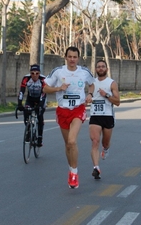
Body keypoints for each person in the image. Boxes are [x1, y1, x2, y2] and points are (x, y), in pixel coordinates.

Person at [43, 46, 95, 189]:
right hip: (63, 111)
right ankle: (71, 168)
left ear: (78, 58)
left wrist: (90, 95)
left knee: (72, 141)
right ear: (65, 57)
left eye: (75, 57)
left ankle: (74, 172)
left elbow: (92, 85)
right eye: (70, 56)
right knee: (68, 144)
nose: (72, 59)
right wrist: (58, 88)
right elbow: (45, 88)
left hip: (78, 109)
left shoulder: (84, 72)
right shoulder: (58, 72)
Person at [89, 60, 120, 180]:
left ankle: (106, 149)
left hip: (108, 115)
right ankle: (96, 167)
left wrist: (106, 95)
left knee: (104, 142)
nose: (101, 68)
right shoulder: (92, 83)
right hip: (95, 115)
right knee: (95, 141)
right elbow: (88, 94)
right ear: (96, 69)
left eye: (103, 66)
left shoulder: (112, 83)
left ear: (106, 68)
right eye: (98, 67)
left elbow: (117, 102)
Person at [17, 64, 47, 147]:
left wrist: (40, 105)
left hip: (40, 98)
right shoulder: (26, 78)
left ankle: (40, 138)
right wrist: (19, 103)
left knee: (40, 116)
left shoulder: (43, 79)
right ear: (30, 73)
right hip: (30, 99)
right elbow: (21, 92)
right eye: (32, 73)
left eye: (37, 73)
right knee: (26, 113)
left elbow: (44, 93)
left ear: (39, 73)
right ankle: (28, 130)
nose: (34, 75)